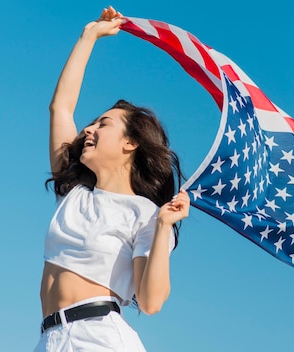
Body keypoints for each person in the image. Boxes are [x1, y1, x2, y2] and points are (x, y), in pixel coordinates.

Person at [35, 6, 189, 351]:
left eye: (103, 124)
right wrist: (89, 36)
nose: (88, 129)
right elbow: (60, 108)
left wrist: (164, 227)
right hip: (49, 339)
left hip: (98, 338)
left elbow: (150, 302)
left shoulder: (145, 214)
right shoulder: (75, 193)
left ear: (130, 143)